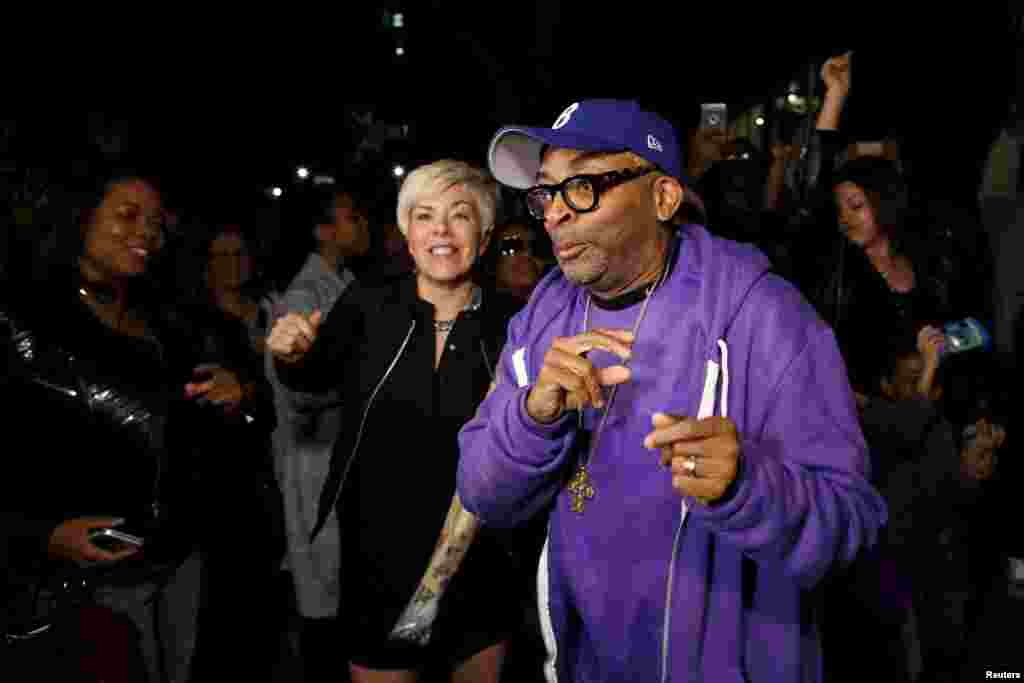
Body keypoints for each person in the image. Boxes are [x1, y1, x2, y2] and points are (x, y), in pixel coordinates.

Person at [456, 99, 887, 682]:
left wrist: (747, 486)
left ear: (661, 198)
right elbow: (482, 493)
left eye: (581, 186)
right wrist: (532, 417)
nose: (554, 214)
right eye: (545, 193)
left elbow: (852, 526)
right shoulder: (542, 317)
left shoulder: (764, 316)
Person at [267, 159, 523, 683]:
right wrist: (290, 355)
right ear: (407, 232)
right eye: (425, 216)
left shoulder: (512, 321)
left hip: (480, 554)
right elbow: (311, 381)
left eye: (460, 215)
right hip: (380, 556)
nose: (442, 232)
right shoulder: (368, 304)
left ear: (486, 230)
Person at [1, 168, 247, 683]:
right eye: (128, 216)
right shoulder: (24, 319)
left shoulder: (168, 321)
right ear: (80, 216)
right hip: (77, 580)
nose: (146, 234)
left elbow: (206, 429)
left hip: (175, 560)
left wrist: (236, 394)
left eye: (156, 223)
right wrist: (39, 535)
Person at [265, 186, 371, 682]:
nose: (363, 225)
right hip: (315, 461)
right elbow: (295, 390)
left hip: (341, 460)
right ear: (324, 230)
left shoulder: (346, 284)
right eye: (351, 217)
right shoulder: (306, 296)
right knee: (322, 603)